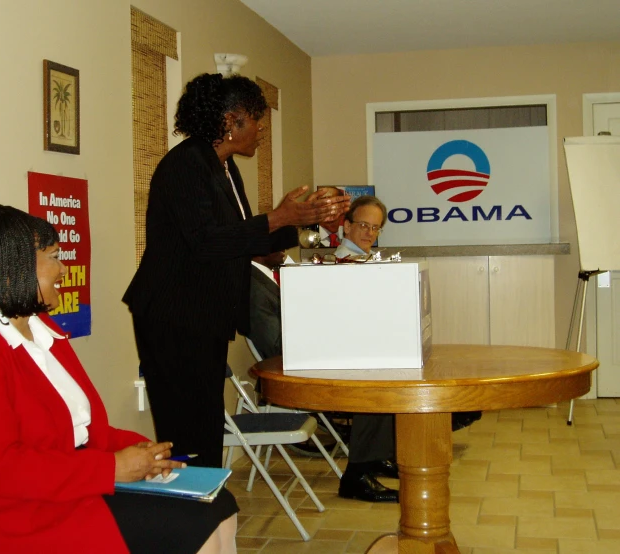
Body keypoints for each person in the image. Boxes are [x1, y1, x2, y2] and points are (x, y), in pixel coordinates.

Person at [0, 205, 239, 554]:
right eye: (53, 257)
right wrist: (111, 468)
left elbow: (84, 429)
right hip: (16, 518)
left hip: (72, 489)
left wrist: (142, 451)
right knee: (191, 526)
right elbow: (2, 470)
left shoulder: (41, 329)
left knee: (218, 505)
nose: (63, 269)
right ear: (11, 269)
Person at [123, 73, 350, 469]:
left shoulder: (224, 167)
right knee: (188, 428)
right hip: (174, 316)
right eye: (256, 118)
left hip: (203, 316)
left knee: (205, 423)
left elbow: (241, 242)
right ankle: (194, 511)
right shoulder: (186, 164)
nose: (262, 128)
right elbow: (206, 242)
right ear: (230, 120)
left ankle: (207, 505)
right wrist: (277, 217)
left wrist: (298, 225)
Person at [247, 251, 399, 503]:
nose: (287, 249)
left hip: (310, 359)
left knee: (382, 365)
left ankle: (373, 458)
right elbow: (277, 346)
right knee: (372, 384)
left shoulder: (275, 275)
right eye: (280, 242)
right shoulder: (253, 286)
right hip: (292, 373)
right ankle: (356, 477)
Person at [334, 196, 482, 430]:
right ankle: (433, 419)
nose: (370, 233)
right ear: (347, 226)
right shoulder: (343, 264)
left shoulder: (363, 259)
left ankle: (439, 416)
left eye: (375, 228)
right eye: (364, 225)